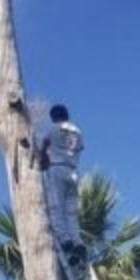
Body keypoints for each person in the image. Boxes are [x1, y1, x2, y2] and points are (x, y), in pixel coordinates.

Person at [39, 103, 86, 266]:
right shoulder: (77, 131)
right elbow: (79, 149)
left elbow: (44, 147)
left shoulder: (53, 129)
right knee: (71, 212)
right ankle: (78, 243)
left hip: (57, 169)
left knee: (56, 207)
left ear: (53, 116)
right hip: (73, 171)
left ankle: (66, 242)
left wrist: (41, 161)